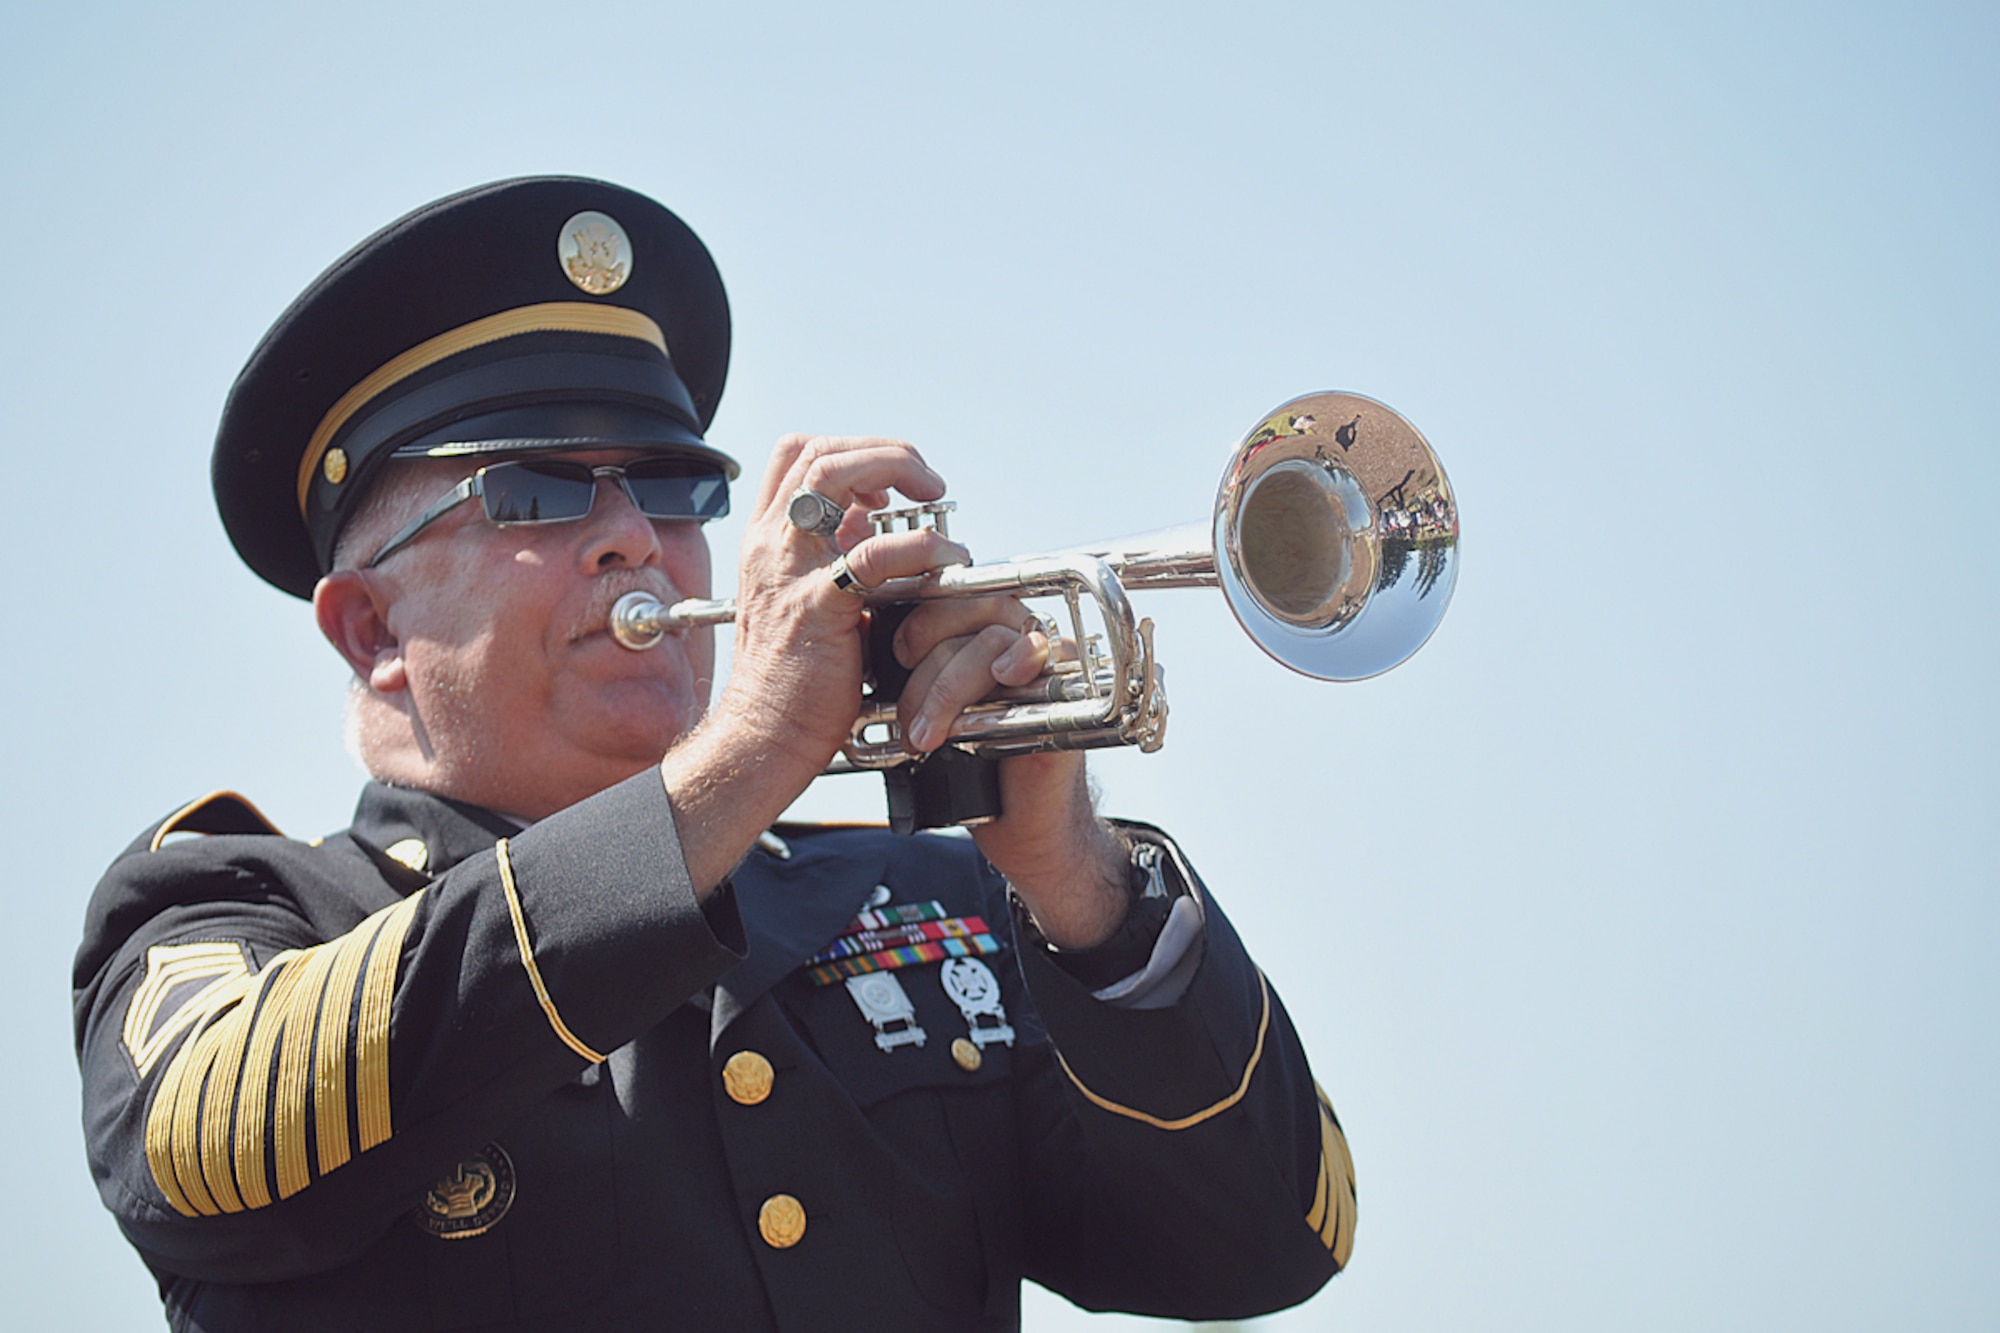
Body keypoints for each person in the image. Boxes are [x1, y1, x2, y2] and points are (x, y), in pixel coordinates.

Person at [73, 177, 1355, 1332]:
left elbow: (1269, 1241)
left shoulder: (929, 898)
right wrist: (745, 756)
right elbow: (211, 1146)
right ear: (372, 631)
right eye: (537, 490)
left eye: (674, 485)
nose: (634, 535)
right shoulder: (234, 910)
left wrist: (1069, 878)